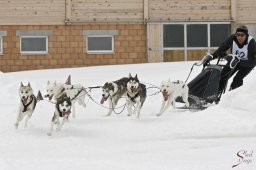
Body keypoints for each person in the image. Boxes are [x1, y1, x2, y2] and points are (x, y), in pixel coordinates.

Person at [203, 25, 256, 96]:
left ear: (246, 35)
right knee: (222, 76)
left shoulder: (251, 42)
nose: (239, 37)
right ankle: (215, 95)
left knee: (237, 79)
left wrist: (240, 62)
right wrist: (212, 56)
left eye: (242, 35)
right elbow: (221, 49)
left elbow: (253, 61)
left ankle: (233, 97)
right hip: (234, 61)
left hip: (248, 64)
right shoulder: (232, 39)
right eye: (238, 35)